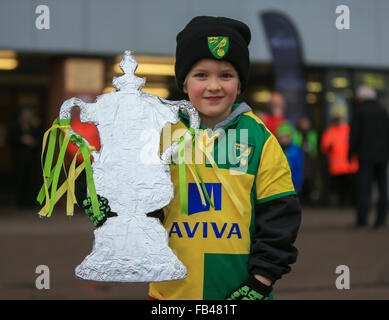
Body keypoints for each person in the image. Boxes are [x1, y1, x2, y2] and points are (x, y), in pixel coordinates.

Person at [79, 16, 301, 300]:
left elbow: (280, 218)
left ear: (240, 84)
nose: (213, 86)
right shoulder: (159, 134)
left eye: (226, 75)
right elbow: (140, 206)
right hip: (171, 295)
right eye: (201, 75)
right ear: (184, 83)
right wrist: (110, 212)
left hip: (243, 292)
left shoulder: (260, 138)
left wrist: (260, 281)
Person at [349, 85, 389, 229]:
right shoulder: (383, 110)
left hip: (365, 156)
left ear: (361, 97)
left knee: (364, 189)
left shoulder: (359, 111)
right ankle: (380, 220)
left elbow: (354, 134)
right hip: (382, 156)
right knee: (382, 188)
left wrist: (350, 153)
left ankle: (362, 220)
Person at [320, 109, 358, 207]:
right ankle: (342, 204)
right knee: (340, 188)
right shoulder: (330, 131)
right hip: (337, 167)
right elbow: (324, 147)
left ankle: (349, 203)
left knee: (349, 187)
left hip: (348, 165)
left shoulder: (346, 129)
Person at [292, 116, 319, 204]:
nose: (305, 125)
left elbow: (314, 148)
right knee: (300, 180)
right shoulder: (296, 133)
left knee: (310, 180)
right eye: (303, 123)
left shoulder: (312, 134)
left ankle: (310, 201)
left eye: (306, 123)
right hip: (300, 159)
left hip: (309, 161)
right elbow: (295, 145)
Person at [277, 122, 304, 193]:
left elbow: (298, 168)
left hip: (293, 184)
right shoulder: (276, 149)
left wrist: (297, 183)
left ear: (290, 137)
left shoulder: (295, 150)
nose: (284, 139)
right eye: (282, 137)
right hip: (280, 185)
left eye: (286, 137)